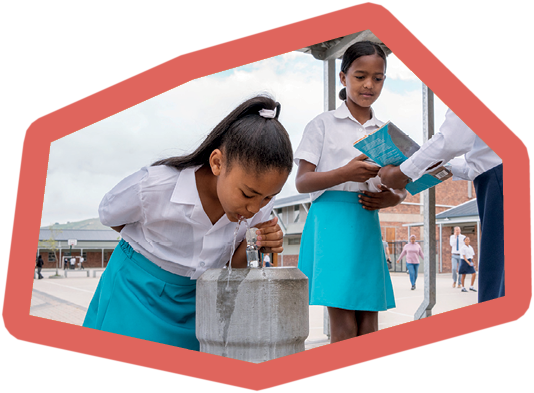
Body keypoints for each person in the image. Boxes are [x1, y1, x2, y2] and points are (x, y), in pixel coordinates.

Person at [82, 95, 293, 351]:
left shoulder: (259, 207)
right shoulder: (155, 187)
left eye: (269, 197)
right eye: (247, 194)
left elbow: (234, 267)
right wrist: (147, 245)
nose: (254, 208)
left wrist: (259, 243)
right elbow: (109, 215)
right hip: (136, 293)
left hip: (198, 301)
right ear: (217, 163)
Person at [294, 41, 405, 343]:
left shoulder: (385, 132)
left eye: (378, 78)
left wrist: (391, 198)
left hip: (366, 221)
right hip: (332, 223)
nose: (369, 84)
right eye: (360, 76)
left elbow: (399, 189)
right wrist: (344, 173)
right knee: (343, 327)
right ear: (343, 78)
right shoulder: (322, 125)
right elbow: (302, 182)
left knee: (369, 324)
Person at [379, 109, 503, 302]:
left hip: (499, 180)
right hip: (491, 177)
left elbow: (453, 140)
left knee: (499, 279)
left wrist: (403, 172)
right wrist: (445, 167)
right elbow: (477, 160)